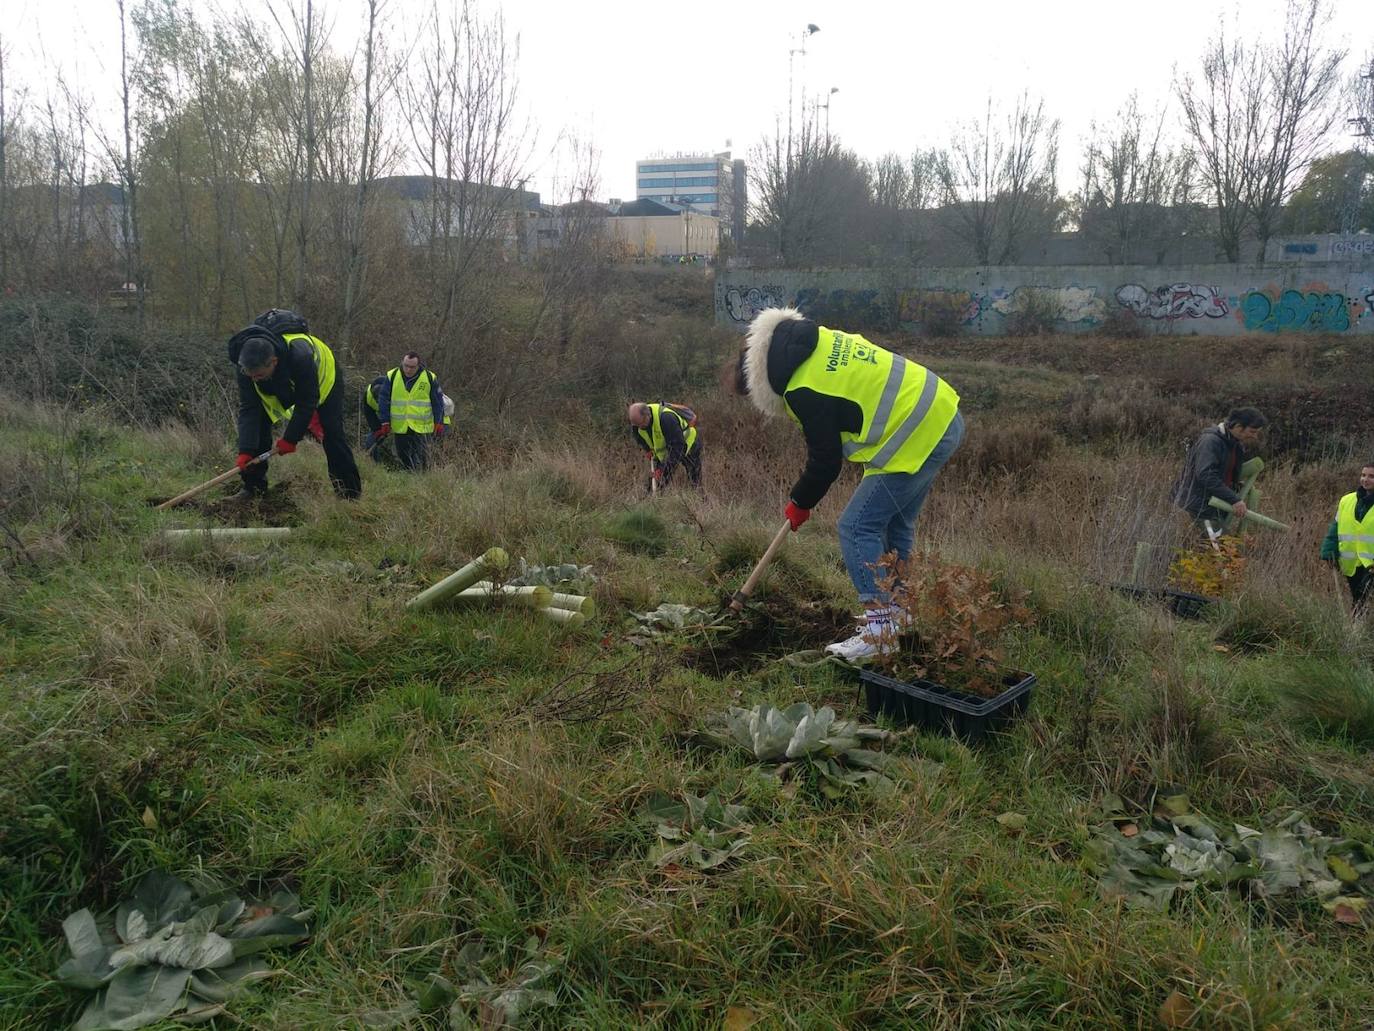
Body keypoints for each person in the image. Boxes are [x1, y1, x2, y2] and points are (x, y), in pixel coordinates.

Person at [734, 307, 964, 662]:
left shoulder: (801, 388)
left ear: (757, 382)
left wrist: (800, 502)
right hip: (941, 413)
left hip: (914, 431)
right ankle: (899, 614)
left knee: (856, 526)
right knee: (893, 522)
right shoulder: (819, 341)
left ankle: (879, 631)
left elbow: (825, 461)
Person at [227, 309, 361, 500]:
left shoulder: (301, 355)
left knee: (332, 434)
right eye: (251, 376)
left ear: (273, 361)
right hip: (280, 384)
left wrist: (290, 439)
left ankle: (349, 494)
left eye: (259, 375)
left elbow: (306, 402)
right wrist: (246, 450)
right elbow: (249, 409)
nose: (254, 380)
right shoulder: (245, 365)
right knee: (259, 425)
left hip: (324, 381)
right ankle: (253, 489)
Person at [1171, 407, 1267, 530]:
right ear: (1238, 427)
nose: (1255, 436)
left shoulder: (1235, 444)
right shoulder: (1211, 441)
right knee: (1221, 547)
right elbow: (1206, 475)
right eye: (1252, 431)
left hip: (1212, 507)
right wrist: (1234, 500)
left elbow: (1224, 473)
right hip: (1198, 507)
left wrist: (1236, 485)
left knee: (1217, 547)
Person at [373, 351, 446, 471]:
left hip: (422, 426)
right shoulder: (392, 376)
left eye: (412, 367)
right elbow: (383, 399)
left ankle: (423, 476)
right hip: (401, 425)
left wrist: (438, 422)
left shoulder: (429, 377)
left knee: (423, 455)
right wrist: (384, 421)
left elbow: (437, 402)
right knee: (402, 453)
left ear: (418, 365)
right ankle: (410, 473)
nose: (408, 369)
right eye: (405, 365)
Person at [1321, 462, 1374, 614]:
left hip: (1370, 564)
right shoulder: (1347, 500)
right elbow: (1336, 527)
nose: (1366, 479)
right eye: (1363, 475)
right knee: (1358, 598)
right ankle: (1356, 632)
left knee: (1363, 597)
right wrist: (1329, 550)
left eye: (1371, 476)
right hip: (1351, 562)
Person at [627, 402, 702, 489]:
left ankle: (697, 497)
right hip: (668, 448)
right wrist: (647, 449)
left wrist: (663, 469)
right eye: (637, 425)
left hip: (687, 444)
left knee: (694, 478)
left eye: (642, 423)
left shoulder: (666, 418)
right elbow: (639, 437)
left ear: (648, 415)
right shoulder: (637, 423)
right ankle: (653, 499)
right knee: (657, 482)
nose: (640, 427)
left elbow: (677, 449)